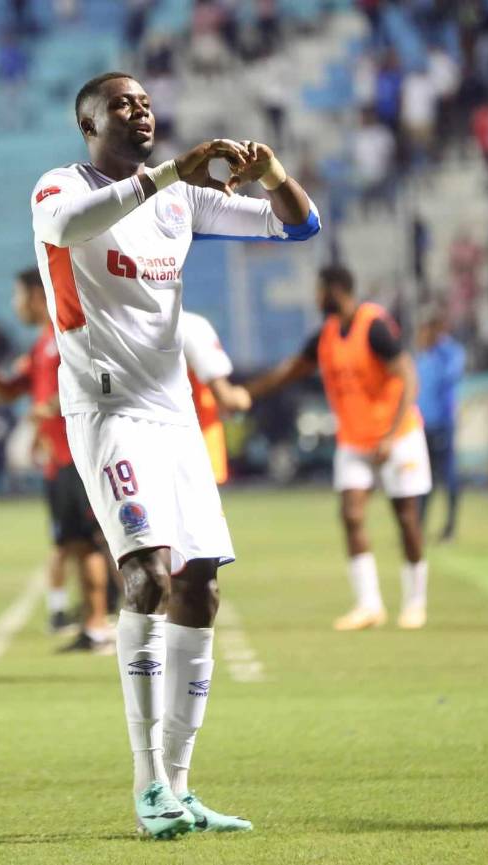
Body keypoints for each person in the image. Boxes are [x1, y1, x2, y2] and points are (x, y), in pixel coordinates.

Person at [30, 71, 319, 838]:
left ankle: (182, 784)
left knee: (199, 586)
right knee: (147, 572)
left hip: (175, 414)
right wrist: (170, 174)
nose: (140, 109)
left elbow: (300, 227)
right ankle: (146, 782)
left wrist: (273, 174)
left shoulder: (184, 198)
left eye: (146, 101)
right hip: (108, 411)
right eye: (121, 103)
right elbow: (67, 231)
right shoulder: (59, 187)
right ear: (88, 123)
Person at [246, 265, 431, 632]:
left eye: (319, 291)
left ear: (335, 290)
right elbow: (288, 371)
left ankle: (415, 603)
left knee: (406, 517)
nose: (315, 299)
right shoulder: (326, 337)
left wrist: (392, 435)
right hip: (354, 441)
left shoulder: (374, 327)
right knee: (350, 514)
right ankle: (369, 605)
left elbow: (408, 376)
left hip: (397, 436)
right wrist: (243, 394)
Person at [0, 267, 112, 652]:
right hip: (58, 460)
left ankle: (111, 621)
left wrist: (54, 406)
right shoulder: (41, 344)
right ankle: (94, 626)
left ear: (36, 296)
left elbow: (99, 379)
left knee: (94, 543)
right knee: (77, 544)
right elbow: (10, 392)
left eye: (17, 296)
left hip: (83, 454)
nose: (15, 306)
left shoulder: (71, 334)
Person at [180, 311, 251, 485]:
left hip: (142, 451)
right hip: (194, 453)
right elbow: (226, 398)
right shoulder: (191, 327)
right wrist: (242, 397)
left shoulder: (121, 327)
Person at [415, 306, 465, 541]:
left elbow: (452, 376)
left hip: (442, 423)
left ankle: (450, 527)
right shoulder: (423, 356)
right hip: (422, 424)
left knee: (447, 476)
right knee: (423, 478)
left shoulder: (448, 353)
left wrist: (441, 344)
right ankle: (418, 527)